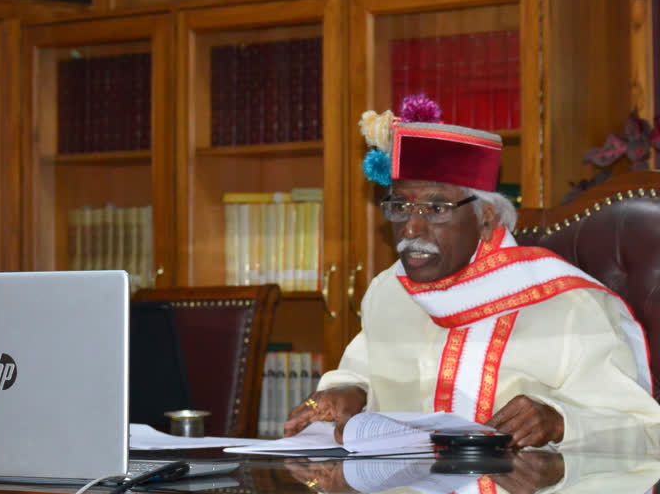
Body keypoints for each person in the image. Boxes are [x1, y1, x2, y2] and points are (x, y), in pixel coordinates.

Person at [283, 95, 660, 449]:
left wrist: (560, 423)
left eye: (436, 209)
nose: (411, 229)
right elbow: (361, 370)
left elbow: (642, 431)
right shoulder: (390, 292)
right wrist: (351, 391)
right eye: (401, 206)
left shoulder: (568, 304)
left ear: (486, 218)